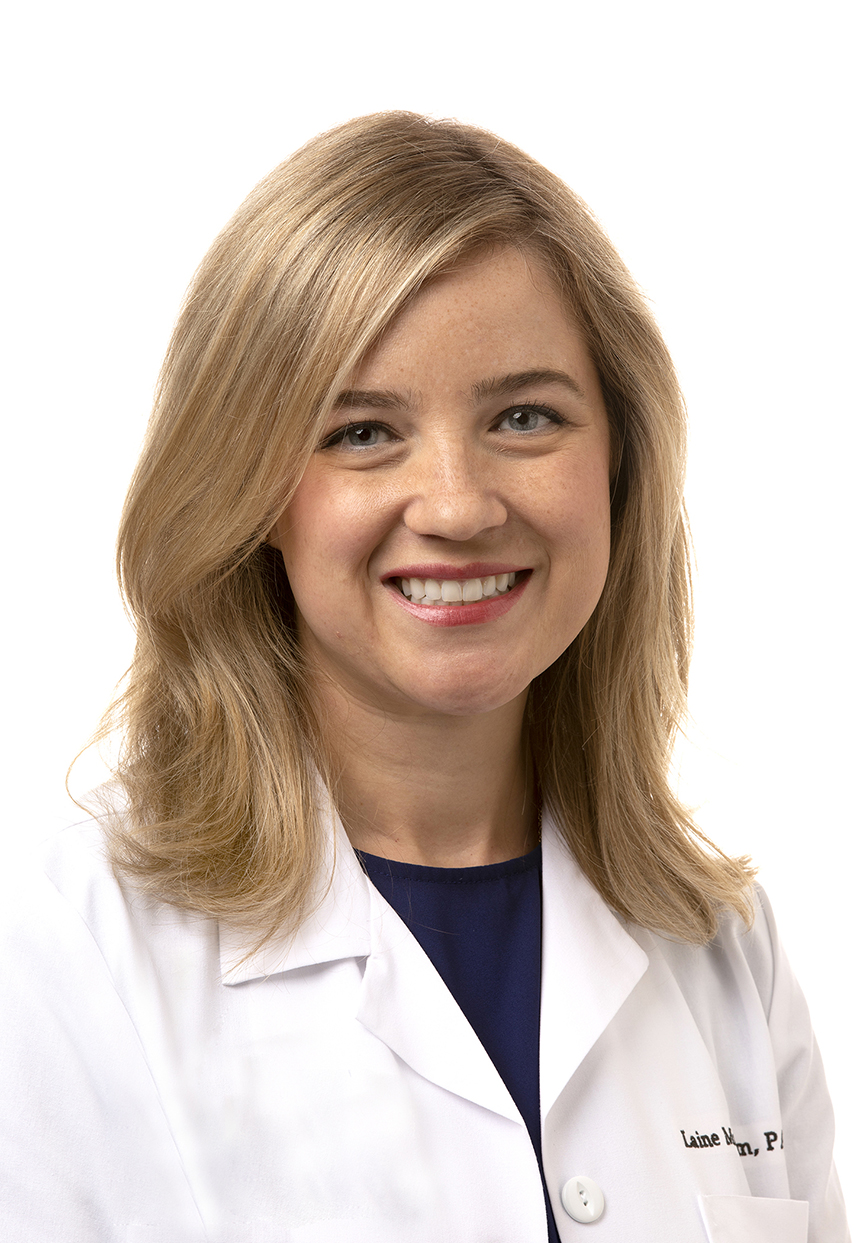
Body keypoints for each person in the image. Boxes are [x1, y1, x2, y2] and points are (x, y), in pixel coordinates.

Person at [0, 112, 849, 1242]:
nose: (455, 505)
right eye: (361, 432)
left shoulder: (721, 950)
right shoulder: (59, 959)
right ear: (251, 491)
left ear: (619, 463)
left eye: (524, 417)